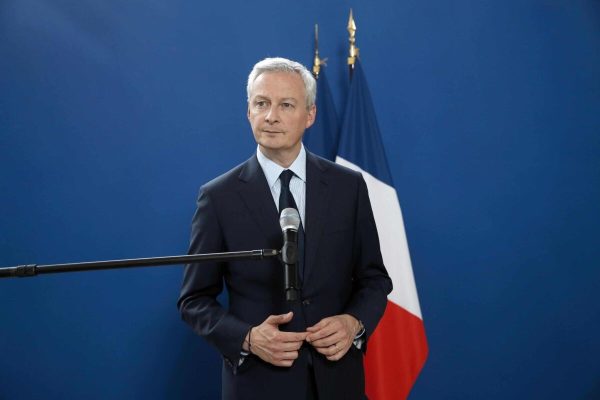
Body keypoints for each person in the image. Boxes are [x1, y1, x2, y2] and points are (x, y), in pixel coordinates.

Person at [178, 57, 392, 400]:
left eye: (286, 105)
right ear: (248, 111)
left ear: (310, 115)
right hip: (258, 385)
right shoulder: (218, 197)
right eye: (261, 103)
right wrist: (247, 338)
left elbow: (375, 279)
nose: (271, 116)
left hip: (339, 382)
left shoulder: (347, 187)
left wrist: (354, 323)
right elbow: (194, 300)